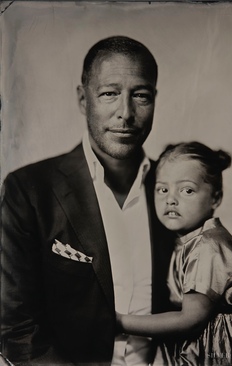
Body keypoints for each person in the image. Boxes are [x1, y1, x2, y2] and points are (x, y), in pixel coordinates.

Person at [0, 36, 174, 365]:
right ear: (83, 100)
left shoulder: (174, 192)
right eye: (109, 93)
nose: (126, 113)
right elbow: (16, 330)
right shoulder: (28, 189)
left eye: (141, 95)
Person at [117, 141, 232, 366]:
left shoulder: (207, 245)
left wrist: (121, 322)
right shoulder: (185, 241)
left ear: (215, 198)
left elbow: (190, 320)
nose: (171, 199)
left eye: (187, 190)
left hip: (225, 347)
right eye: (162, 189)